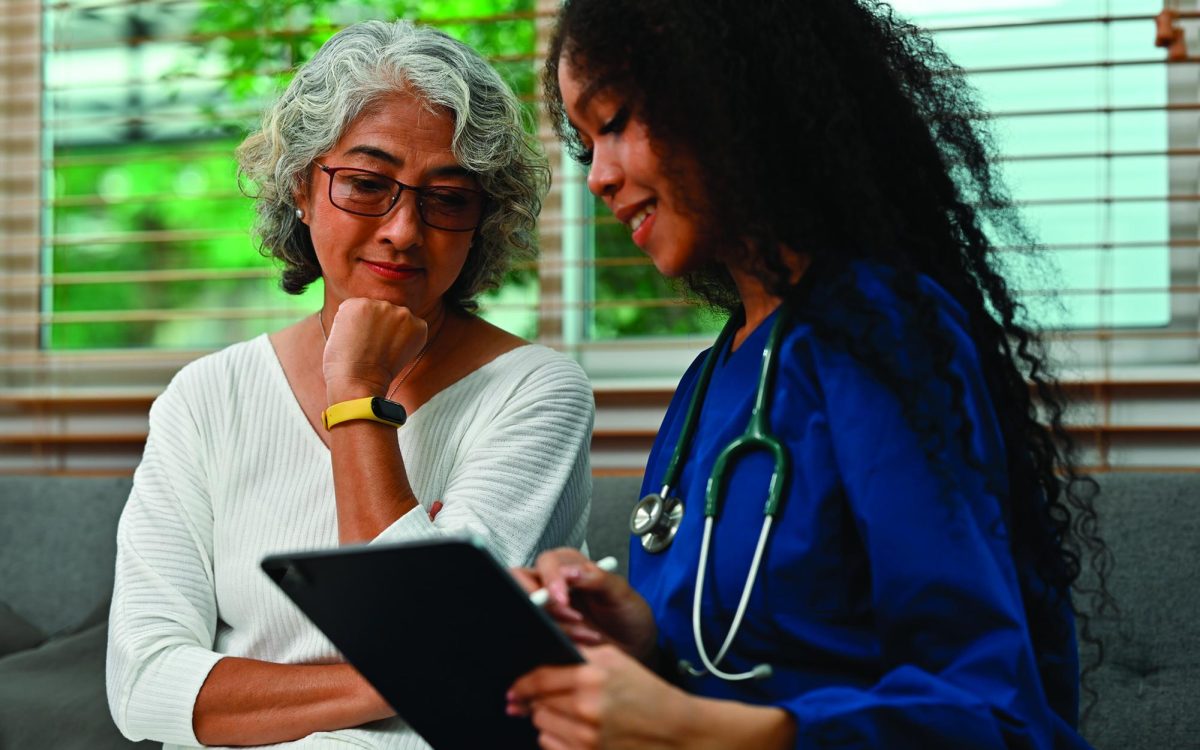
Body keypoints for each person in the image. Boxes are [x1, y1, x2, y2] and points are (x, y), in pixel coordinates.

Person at [507, 1, 1114, 748]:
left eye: (616, 120)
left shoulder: (875, 334)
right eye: (584, 140)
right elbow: (751, 665)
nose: (597, 176)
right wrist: (645, 647)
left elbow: (991, 711)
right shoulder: (709, 384)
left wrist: (694, 730)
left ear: (729, 94)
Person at [106, 20, 594, 750]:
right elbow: (145, 688)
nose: (403, 228)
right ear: (303, 188)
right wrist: (405, 674)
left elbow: (426, 640)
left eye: (448, 198)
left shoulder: (536, 391)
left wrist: (357, 392)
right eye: (367, 185)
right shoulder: (205, 399)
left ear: (479, 226)